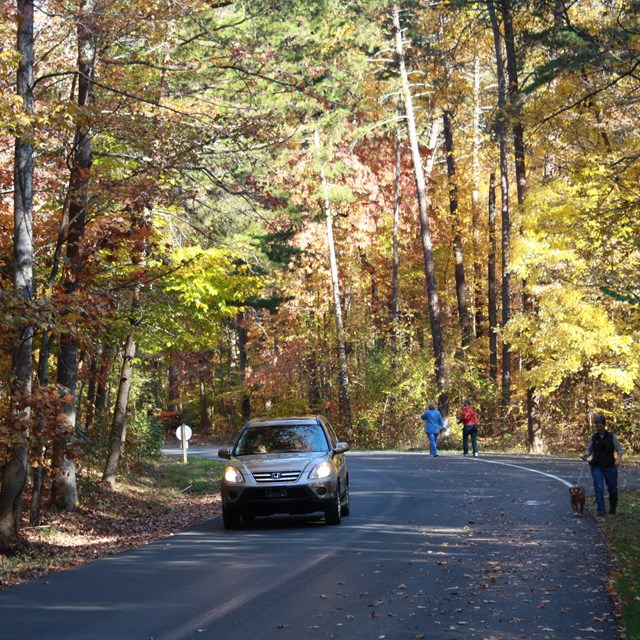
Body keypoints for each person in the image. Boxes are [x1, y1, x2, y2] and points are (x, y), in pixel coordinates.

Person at [581, 413, 623, 515]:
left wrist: (619, 459)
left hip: (610, 466)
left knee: (612, 489)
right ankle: (601, 510)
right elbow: (589, 449)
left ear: (604, 425)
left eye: (600, 426)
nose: (598, 428)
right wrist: (585, 455)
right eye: (596, 426)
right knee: (598, 487)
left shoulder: (612, 437)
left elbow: (619, 449)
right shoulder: (593, 438)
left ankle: (613, 507)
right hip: (597, 466)